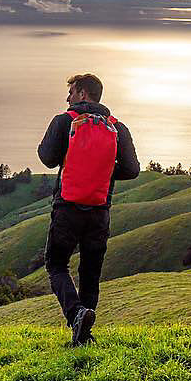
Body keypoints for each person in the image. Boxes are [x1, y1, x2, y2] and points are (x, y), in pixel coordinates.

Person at [37, 73, 139, 345]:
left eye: (71, 92)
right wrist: (102, 171)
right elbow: (132, 170)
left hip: (67, 209)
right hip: (99, 211)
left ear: (83, 93)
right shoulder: (118, 128)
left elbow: (47, 158)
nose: (67, 98)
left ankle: (76, 314)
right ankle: (84, 333)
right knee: (90, 271)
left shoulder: (64, 121)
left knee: (56, 264)